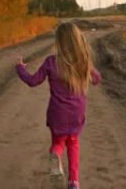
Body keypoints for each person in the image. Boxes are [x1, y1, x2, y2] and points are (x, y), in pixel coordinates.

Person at [15, 22, 102, 189]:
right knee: (73, 143)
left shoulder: (51, 62)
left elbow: (33, 81)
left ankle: (55, 155)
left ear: (59, 42)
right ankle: (74, 182)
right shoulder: (82, 63)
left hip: (58, 114)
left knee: (58, 142)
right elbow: (97, 79)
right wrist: (89, 68)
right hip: (77, 113)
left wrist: (20, 68)